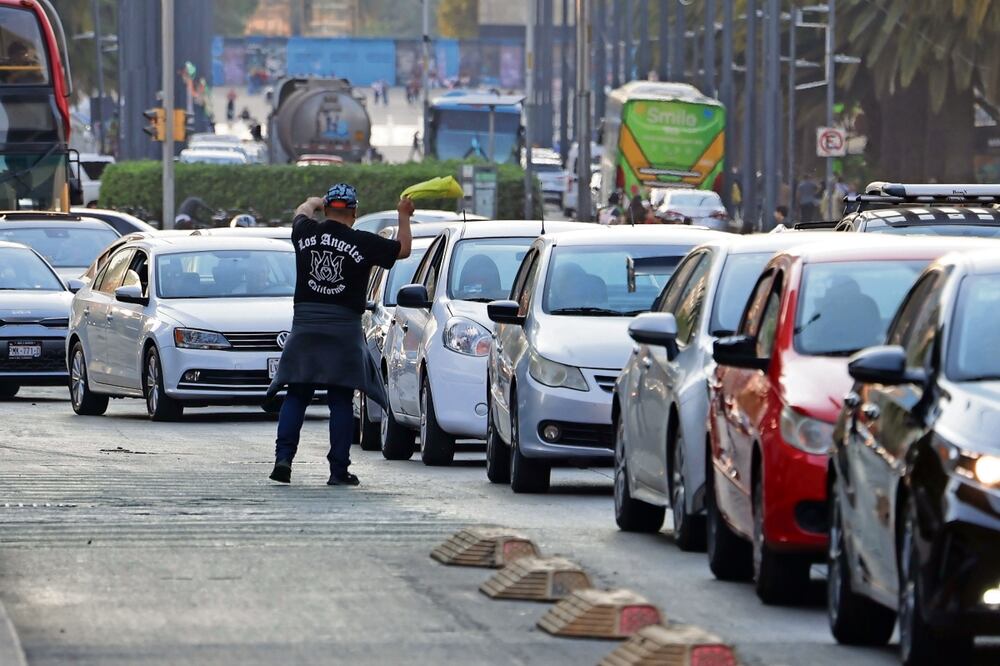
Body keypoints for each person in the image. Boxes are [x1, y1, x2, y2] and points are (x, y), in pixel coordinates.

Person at [266, 184, 413, 486]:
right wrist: (403, 215)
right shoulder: (363, 241)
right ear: (354, 213)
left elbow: (300, 213)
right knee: (341, 400)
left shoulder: (305, 232)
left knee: (297, 393)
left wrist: (312, 202)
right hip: (343, 329)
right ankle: (337, 471)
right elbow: (404, 249)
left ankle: (283, 459)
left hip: (305, 326)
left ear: (328, 209)